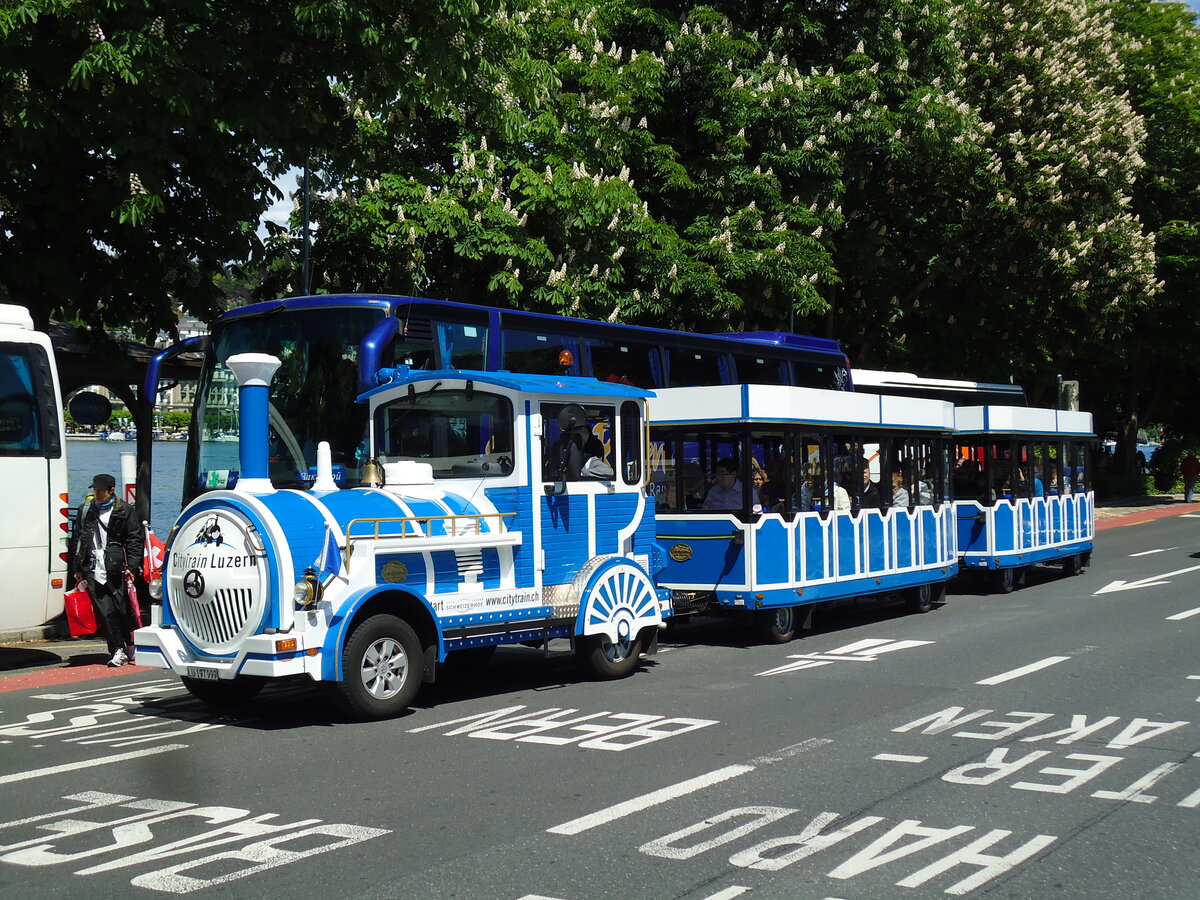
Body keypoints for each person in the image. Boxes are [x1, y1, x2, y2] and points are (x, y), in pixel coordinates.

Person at [67, 474, 144, 667]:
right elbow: (78, 539)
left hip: (117, 567)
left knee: (123, 609)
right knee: (106, 611)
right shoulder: (86, 510)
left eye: (101, 490)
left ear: (111, 490)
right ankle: (117, 650)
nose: (97, 494)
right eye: (95, 490)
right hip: (92, 567)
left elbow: (135, 539)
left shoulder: (125, 511)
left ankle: (130, 645)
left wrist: (132, 566)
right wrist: (77, 567)